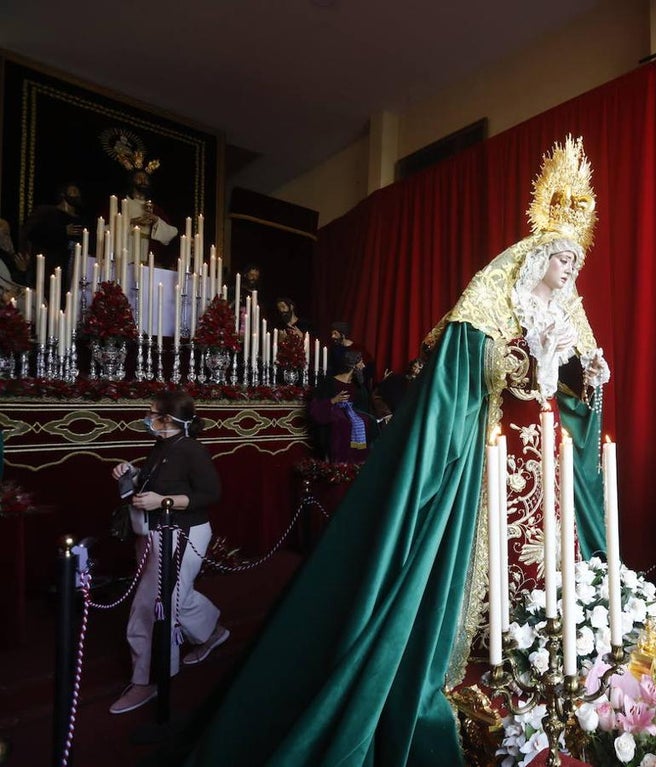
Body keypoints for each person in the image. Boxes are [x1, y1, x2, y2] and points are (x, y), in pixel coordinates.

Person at [181, 136, 609, 767]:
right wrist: (518, 358)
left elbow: (573, 390)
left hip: (546, 456)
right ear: (539, 251)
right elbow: (461, 374)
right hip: (489, 454)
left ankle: (551, 651)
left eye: (578, 258)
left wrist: (589, 379)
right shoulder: (497, 295)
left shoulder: (570, 310)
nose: (572, 268)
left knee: (550, 557)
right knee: (473, 566)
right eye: (563, 256)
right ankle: (479, 662)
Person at [108, 390, 229, 714]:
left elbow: (210, 494)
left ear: (169, 420)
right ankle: (212, 631)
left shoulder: (192, 450)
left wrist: (162, 502)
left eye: (152, 413)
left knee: (152, 606)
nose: (147, 419)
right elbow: (160, 483)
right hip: (154, 532)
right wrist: (131, 474)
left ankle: (149, 680)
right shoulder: (163, 445)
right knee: (178, 596)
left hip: (182, 534)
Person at [308, 349, 378, 463]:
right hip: (333, 411)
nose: (364, 366)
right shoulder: (330, 382)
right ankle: (340, 462)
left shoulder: (357, 385)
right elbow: (317, 406)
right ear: (353, 365)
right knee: (343, 422)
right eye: (361, 363)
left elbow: (364, 405)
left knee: (369, 421)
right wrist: (334, 400)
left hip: (352, 412)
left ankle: (362, 461)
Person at [18, 182, 84, 279]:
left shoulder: (80, 219)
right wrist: (62, 231)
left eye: (78, 193)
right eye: (73, 192)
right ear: (63, 194)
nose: (77, 195)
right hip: (47, 267)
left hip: (70, 267)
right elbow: (32, 233)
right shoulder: (46, 212)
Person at [124, 170, 179, 265]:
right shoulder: (122, 203)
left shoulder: (155, 209)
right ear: (132, 181)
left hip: (148, 257)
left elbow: (171, 232)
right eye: (139, 178)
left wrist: (156, 220)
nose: (143, 181)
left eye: (146, 179)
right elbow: (107, 227)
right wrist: (132, 221)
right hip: (126, 251)